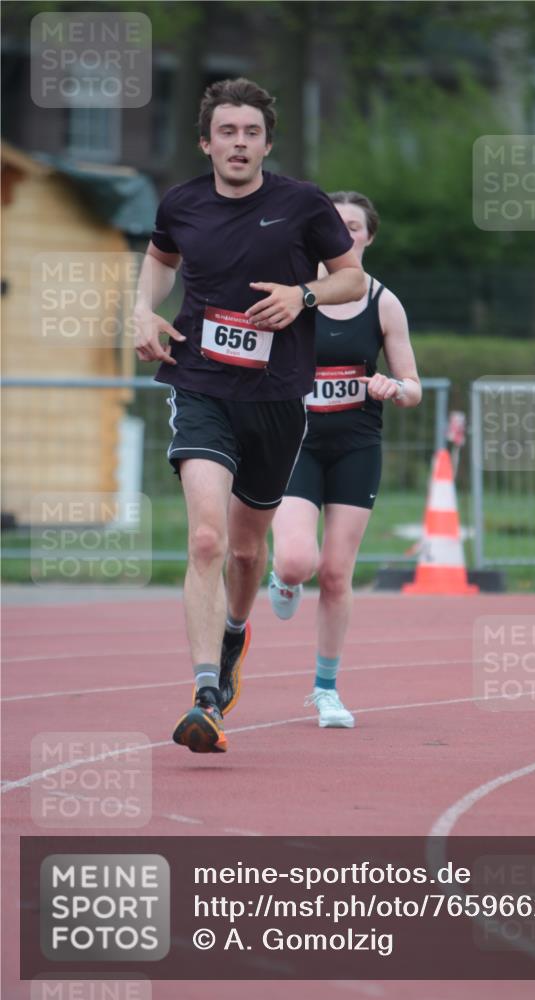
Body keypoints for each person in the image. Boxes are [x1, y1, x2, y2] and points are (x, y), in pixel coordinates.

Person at [132, 79, 364, 754]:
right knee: (204, 539)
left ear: (266, 142)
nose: (239, 143)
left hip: (276, 397)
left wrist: (303, 295)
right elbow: (158, 260)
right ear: (206, 142)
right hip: (199, 385)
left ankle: (234, 633)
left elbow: (348, 276)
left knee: (242, 548)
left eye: (251, 133)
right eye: (226, 132)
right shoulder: (181, 204)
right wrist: (143, 310)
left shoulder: (300, 204)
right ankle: (206, 694)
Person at [268, 191, 422, 728]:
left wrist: (391, 386)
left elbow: (413, 386)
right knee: (297, 561)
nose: (344, 234)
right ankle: (283, 580)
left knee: (335, 575)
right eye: (334, 225)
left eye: (353, 227)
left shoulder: (385, 303)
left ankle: (326, 689)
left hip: (356, 444)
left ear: (368, 237)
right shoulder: (291, 296)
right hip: (294, 443)